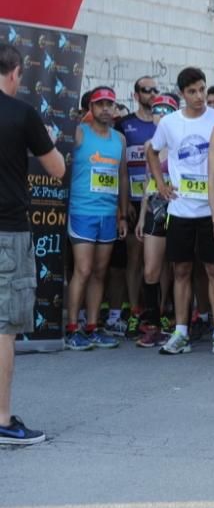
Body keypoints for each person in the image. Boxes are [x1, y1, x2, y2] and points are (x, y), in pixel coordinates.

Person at [0, 42, 66, 445]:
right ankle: (2, 419)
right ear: (15, 73)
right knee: (3, 328)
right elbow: (56, 168)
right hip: (7, 230)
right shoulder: (21, 113)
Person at [147, 67, 214, 355]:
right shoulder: (169, 123)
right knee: (180, 270)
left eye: (202, 89)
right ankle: (180, 331)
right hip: (180, 209)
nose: (199, 96)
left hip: (211, 211)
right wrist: (161, 184)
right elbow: (151, 150)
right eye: (192, 91)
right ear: (182, 94)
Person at [64, 86, 129, 350]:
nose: (105, 108)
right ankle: (72, 328)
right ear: (90, 108)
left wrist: (123, 214)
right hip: (82, 212)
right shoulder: (80, 133)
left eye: (109, 104)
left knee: (100, 272)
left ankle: (92, 326)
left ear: (114, 109)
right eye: (99, 104)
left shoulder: (119, 140)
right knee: (83, 270)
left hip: (107, 214)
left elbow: (122, 177)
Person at [113, 76, 161, 338]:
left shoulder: (164, 124)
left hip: (158, 199)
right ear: (136, 95)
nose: (152, 94)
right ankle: (134, 311)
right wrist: (124, 205)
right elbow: (120, 167)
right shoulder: (125, 125)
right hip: (133, 200)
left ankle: (158, 313)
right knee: (134, 258)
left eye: (156, 90)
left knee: (159, 263)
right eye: (146, 90)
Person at [133, 94, 177, 347]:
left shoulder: (181, 142)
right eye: (157, 110)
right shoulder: (151, 144)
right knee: (151, 268)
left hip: (180, 207)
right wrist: (141, 217)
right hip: (155, 209)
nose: (161, 115)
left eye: (167, 110)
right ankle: (151, 323)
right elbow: (148, 186)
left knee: (177, 269)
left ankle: (173, 318)